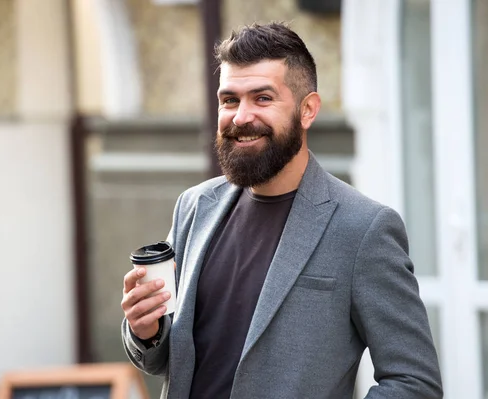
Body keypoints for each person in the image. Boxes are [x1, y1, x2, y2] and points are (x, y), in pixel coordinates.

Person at [120, 22, 443, 399]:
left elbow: (414, 383)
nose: (241, 117)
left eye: (262, 98)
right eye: (229, 100)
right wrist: (146, 331)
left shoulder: (365, 228)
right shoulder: (194, 207)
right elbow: (170, 359)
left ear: (308, 110)